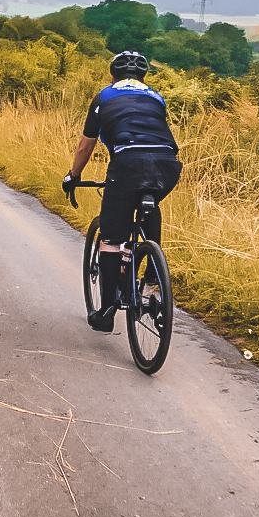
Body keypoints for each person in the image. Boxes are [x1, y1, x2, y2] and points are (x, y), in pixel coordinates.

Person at [62, 50, 183, 332]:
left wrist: (73, 176)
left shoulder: (104, 96)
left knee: (112, 237)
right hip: (168, 165)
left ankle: (106, 310)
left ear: (112, 75)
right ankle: (153, 275)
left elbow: (85, 145)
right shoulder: (156, 97)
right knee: (150, 204)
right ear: (144, 76)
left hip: (128, 164)